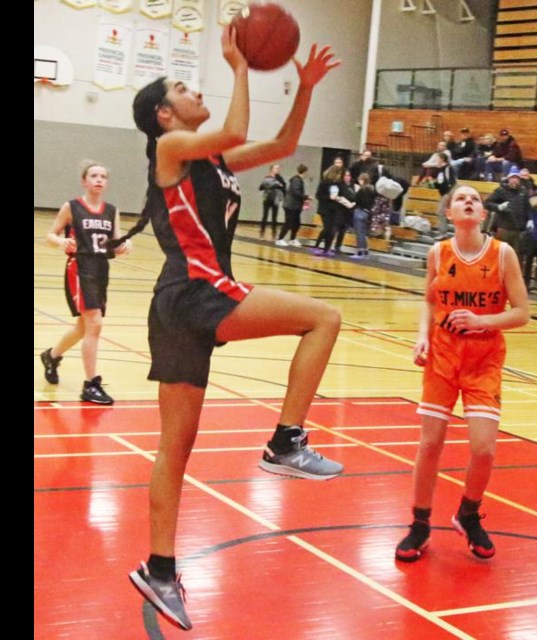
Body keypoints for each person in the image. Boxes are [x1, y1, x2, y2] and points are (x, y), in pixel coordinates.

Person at [121, 29, 343, 631]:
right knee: (324, 317)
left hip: (178, 305)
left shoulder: (210, 158)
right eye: (185, 89)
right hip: (195, 292)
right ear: (165, 113)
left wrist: (304, 89)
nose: (198, 93)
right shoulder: (169, 148)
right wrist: (239, 66)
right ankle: (285, 441)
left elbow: (282, 142)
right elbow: (240, 131)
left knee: (178, 447)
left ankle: (160, 569)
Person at [394, 184, 530, 562]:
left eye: (475, 199)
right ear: (450, 213)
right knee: (429, 444)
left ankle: (468, 514)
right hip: (442, 356)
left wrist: (482, 320)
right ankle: (419, 524)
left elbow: (521, 312)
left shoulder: (502, 255)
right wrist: (421, 338)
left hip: (483, 360)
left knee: (484, 450)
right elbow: (428, 301)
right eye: (460, 198)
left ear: (483, 215)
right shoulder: (438, 253)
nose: (469, 201)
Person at [39, 161, 131, 404]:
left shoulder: (112, 210)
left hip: (101, 269)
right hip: (79, 268)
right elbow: (50, 235)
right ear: (84, 181)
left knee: (84, 328)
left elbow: (115, 242)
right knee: (95, 324)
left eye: (103, 176)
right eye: (94, 175)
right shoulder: (72, 207)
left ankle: (52, 356)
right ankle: (91, 385)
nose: (99, 179)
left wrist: (123, 246)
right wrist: (60, 243)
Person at [312, 157, 345, 257]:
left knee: (332, 230)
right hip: (325, 209)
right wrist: (328, 197)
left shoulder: (339, 184)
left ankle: (327, 249)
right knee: (327, 229)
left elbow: (342, 193)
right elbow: (318, 195)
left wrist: (339, 198)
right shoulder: (324, 182)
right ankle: (319, 246)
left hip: (335, 209)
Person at [276, 163, 310, 247]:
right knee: (288, 223)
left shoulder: (298, 180)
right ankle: (280, 239)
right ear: (304, 172)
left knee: (296, 223)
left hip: (295, 206)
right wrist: (306, 197)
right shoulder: (296, 180)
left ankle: (292, 239)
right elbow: (296, 192)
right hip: (290, 206)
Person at [350, 172, 376, 259]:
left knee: (359, 232)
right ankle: (365, 251)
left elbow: (355, 199)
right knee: (364, 232)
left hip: (360, 210)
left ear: (362, 180)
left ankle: (360, 251)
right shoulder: (372, 190)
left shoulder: (362, 190)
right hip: (367, 212)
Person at [258, 164, 286, 239]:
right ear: (272, 169)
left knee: (274, 218)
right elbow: (260, 187)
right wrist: (268, 185)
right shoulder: (267, 178)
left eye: (278, 168)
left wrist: (280, 187)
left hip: (275, 199)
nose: (278, 170)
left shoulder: (279, 178)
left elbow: (283, 186)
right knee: (265, 216)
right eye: (276, 168)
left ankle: (274, 233)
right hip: (267, 199)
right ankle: (262, 232)